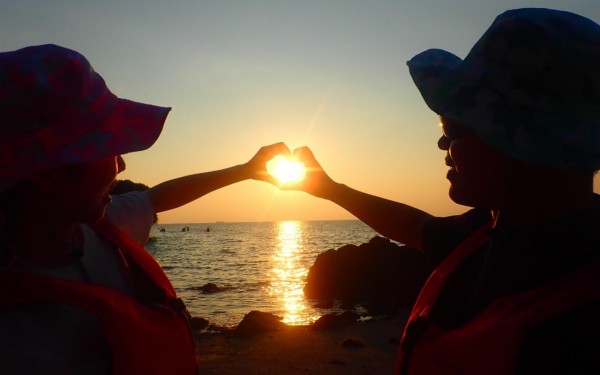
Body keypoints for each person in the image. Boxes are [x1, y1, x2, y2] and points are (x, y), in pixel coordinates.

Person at [288, 8, 600, 374]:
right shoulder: (492, 232)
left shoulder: (577, 331)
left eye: (453, 126)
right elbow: (418, 228)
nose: (441, 143)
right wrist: (329, 189)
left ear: (521, 141)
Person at [0, 44, 288, 374]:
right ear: (49, 175)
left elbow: (156, 198)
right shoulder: (21, 346)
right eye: (106, 148)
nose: (121, 164)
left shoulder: (99, 229)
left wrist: (246, 170)